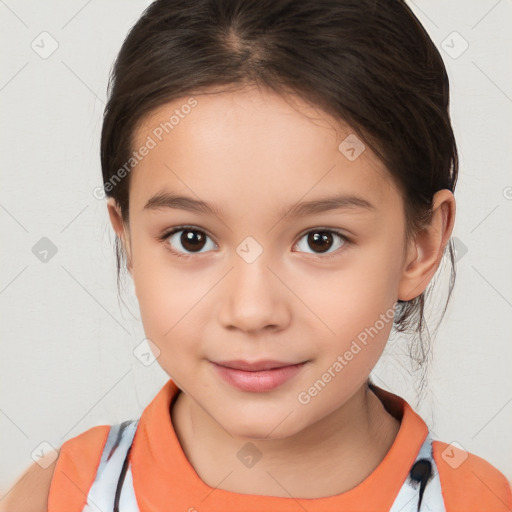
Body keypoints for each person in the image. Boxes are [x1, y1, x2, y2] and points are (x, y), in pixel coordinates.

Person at [4, 0, 511, 511]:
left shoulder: (479, 501)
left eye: (320, 240)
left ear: (419, 247)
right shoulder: (58, 495)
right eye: (191, 238)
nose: (251, 311)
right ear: (128, 239)